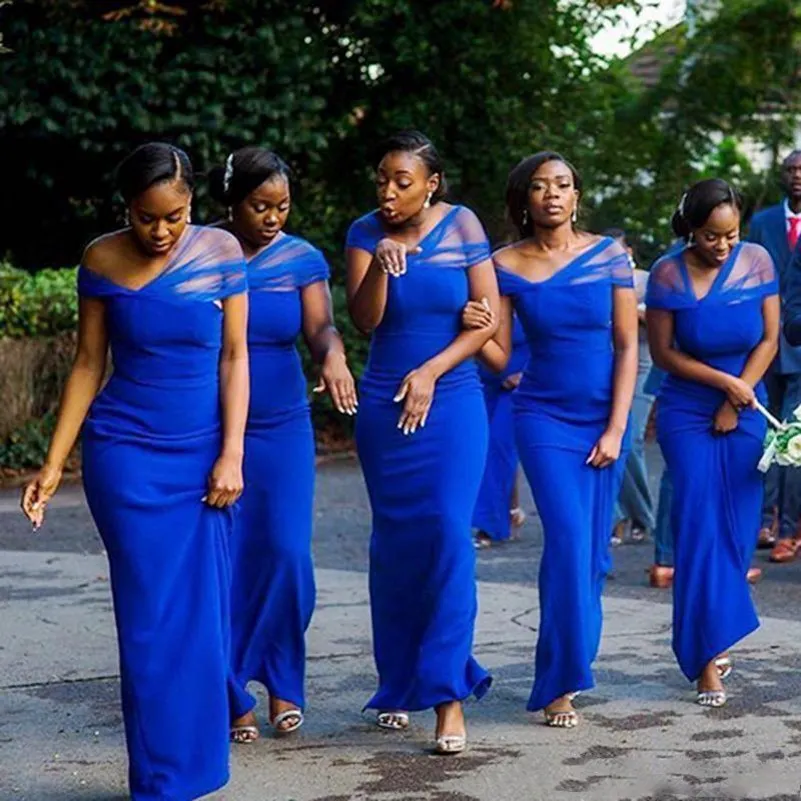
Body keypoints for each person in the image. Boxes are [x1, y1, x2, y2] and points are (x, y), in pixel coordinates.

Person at [21, 143, 249, 800]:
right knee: (149, 617)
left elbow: (234, 360)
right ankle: (158, 780)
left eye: (173, 217)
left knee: (201, 612)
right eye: (146, 218)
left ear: (191, 204)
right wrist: (54, 462)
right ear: (127, 209)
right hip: (124, 455)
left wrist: (232, 451)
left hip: (204, 452)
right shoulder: (100, 258)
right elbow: (89, 363)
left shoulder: (221, 254)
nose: (160, 231)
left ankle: (196, 768)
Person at [463, 151, 638, 728]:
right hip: (541, 418)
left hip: (601, 418)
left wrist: (616, 428)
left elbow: (628, 346)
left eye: (563, 185)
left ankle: (574, 653)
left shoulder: (609, 255)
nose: (553, 195)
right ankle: (560, 681)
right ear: (525, 200)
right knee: (565, 540)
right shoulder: (504, 264)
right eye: (540, 187)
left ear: (577, 195)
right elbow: (497, 351)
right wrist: (476, 328)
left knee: (590, 553)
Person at [345, 130, 497, 754]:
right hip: (385, 403)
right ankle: (398, 682)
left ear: (431, 183)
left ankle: (448, 697)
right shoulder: (363, 233)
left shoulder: (463, 227)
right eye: (382, 179)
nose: (388, 192)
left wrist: (433, 370)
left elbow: (488, 322)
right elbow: (364, 320)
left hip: (454, 401)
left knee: (446, 538)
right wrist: (379, 268)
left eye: (401, 181)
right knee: (397, 546)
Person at [208, 147, 357, 744]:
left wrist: (335, 356)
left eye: (282, 206)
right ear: (231, 202)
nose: (272, 217)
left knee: (289, 554)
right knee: (224, 560)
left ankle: (284, 679)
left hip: (283, 424)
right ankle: (230, 689)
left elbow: (320, 327)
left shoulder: (301, 259)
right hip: (211, 426)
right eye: (259, 205)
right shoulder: (200, 251)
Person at [646, 179, 778, 707]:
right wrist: (722, 386)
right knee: (698, 526)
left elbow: (769, 338)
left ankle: (717, 630)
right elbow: (663, 354)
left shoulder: (759, 261)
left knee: (738, 529)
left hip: (748, 404)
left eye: (730, 234)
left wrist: (737, 394)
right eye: (709, 236)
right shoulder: (667, 273)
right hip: (687, 409)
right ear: (690, 228)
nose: (722, 246)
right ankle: (705, 661)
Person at [747, 150, 801, 561]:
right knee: (767, 432)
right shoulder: (762, 222)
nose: (797, 176)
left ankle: (789, 529)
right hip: (766, 343)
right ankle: (762, 519)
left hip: (799, 342)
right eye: (791, 170)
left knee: (794, 438)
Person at [605, 228, 656, 546]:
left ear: (630, 251)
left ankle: (642, 514)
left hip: (644, 361)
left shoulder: (647, 279)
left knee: (632, 436)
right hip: (607, 362)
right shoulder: (596, 279)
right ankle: (616, 516)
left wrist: (630, 311)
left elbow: (659, 318)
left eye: (618, 250)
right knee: (608, 436)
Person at [472, 311, 530, 549]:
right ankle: (511, 511)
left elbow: (549, 333)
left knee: (498, 447)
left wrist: (528, 374)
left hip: (520, 382)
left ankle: (490, 525)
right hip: (483, 379)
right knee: (481, 448)